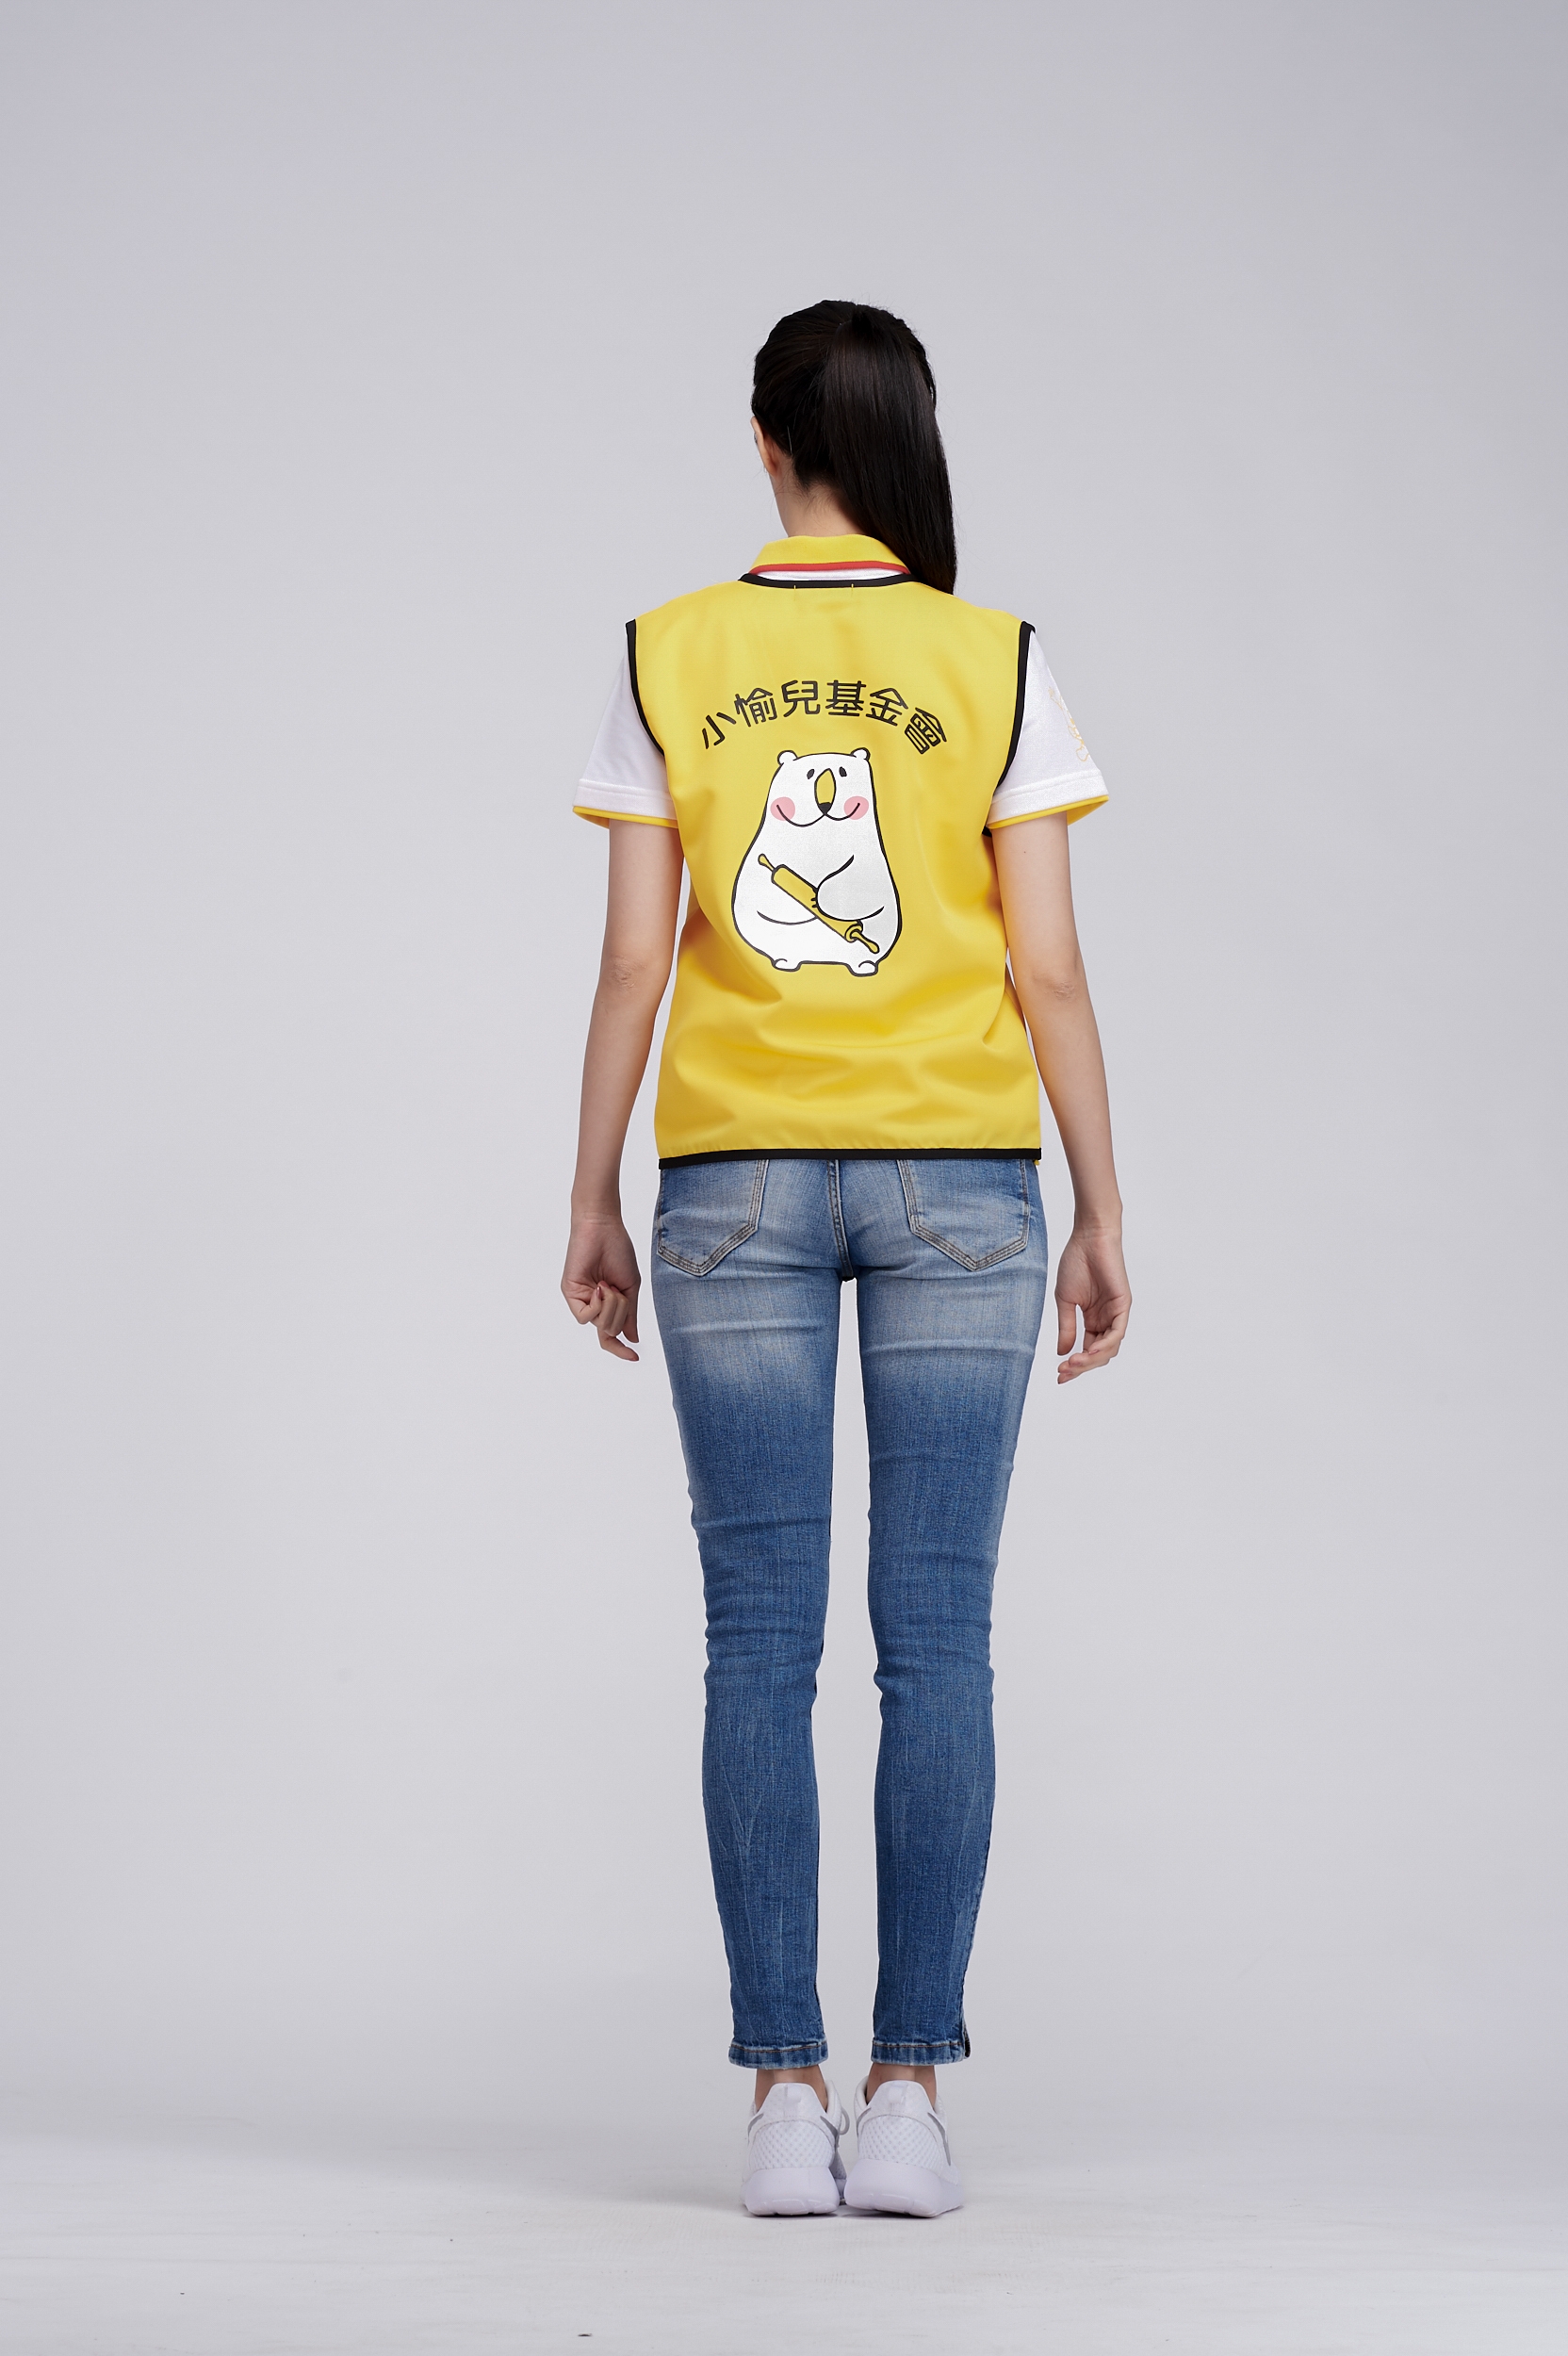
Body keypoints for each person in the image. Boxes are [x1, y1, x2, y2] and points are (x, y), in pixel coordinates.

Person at [562, 301, 1130, 2218]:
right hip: (962, 1177)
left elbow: (633, 960)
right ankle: (907, 2097)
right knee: (938, 1638)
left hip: (730, 1174)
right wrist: (1105, 1205)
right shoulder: (994, 657)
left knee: (756, 1643)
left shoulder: (667, 650)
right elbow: (1048, 963)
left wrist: (589, 1191)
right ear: (901, 436)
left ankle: (782, 2101)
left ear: (764, 441)